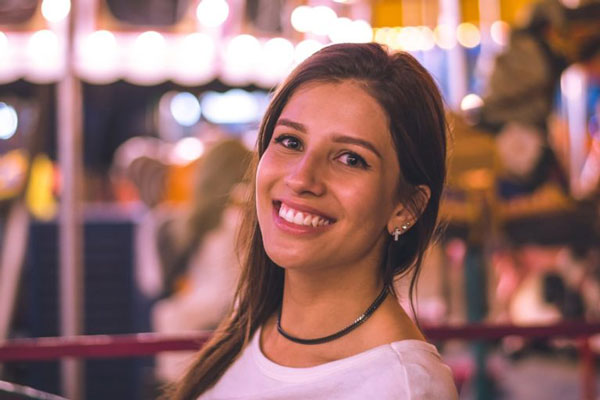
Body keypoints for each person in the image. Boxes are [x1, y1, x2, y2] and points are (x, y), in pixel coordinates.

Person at [169, 42, 458, 400]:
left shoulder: (400, 386)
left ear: (406, 207)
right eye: (290, 141)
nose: (302, 178)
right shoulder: (249, 330)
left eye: (351, 159)